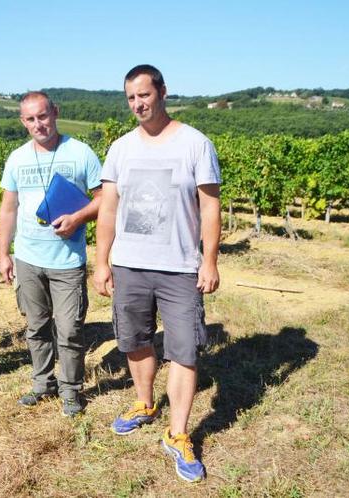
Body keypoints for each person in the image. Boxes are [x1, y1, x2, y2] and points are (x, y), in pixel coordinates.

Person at [93, 64, 221, 482]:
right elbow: (108, 209)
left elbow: (210, 207)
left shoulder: (195, 144)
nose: (138, 104)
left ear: (162, 92)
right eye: (131, 98)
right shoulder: (120, 148)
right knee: (134, 340)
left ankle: (178, 433)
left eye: (144, 95)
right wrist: (102, 261)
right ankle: (145, 402)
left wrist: (210, 259)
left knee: (184, 349)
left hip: (180, 267)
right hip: (130, 264)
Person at [0, 91, 102, 417]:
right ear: (23, 122)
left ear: (55, 112)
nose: (38, 124)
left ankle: (71, 390)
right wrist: (4, 253)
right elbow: (8, 209)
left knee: (70, 329)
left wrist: (78, 218)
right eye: (30, 119)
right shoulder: (17, 158)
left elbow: (105, 200)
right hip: (28, 258)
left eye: (43, 116)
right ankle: (43, 383)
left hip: (67, 261)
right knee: (37, 327)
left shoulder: (80, 152)